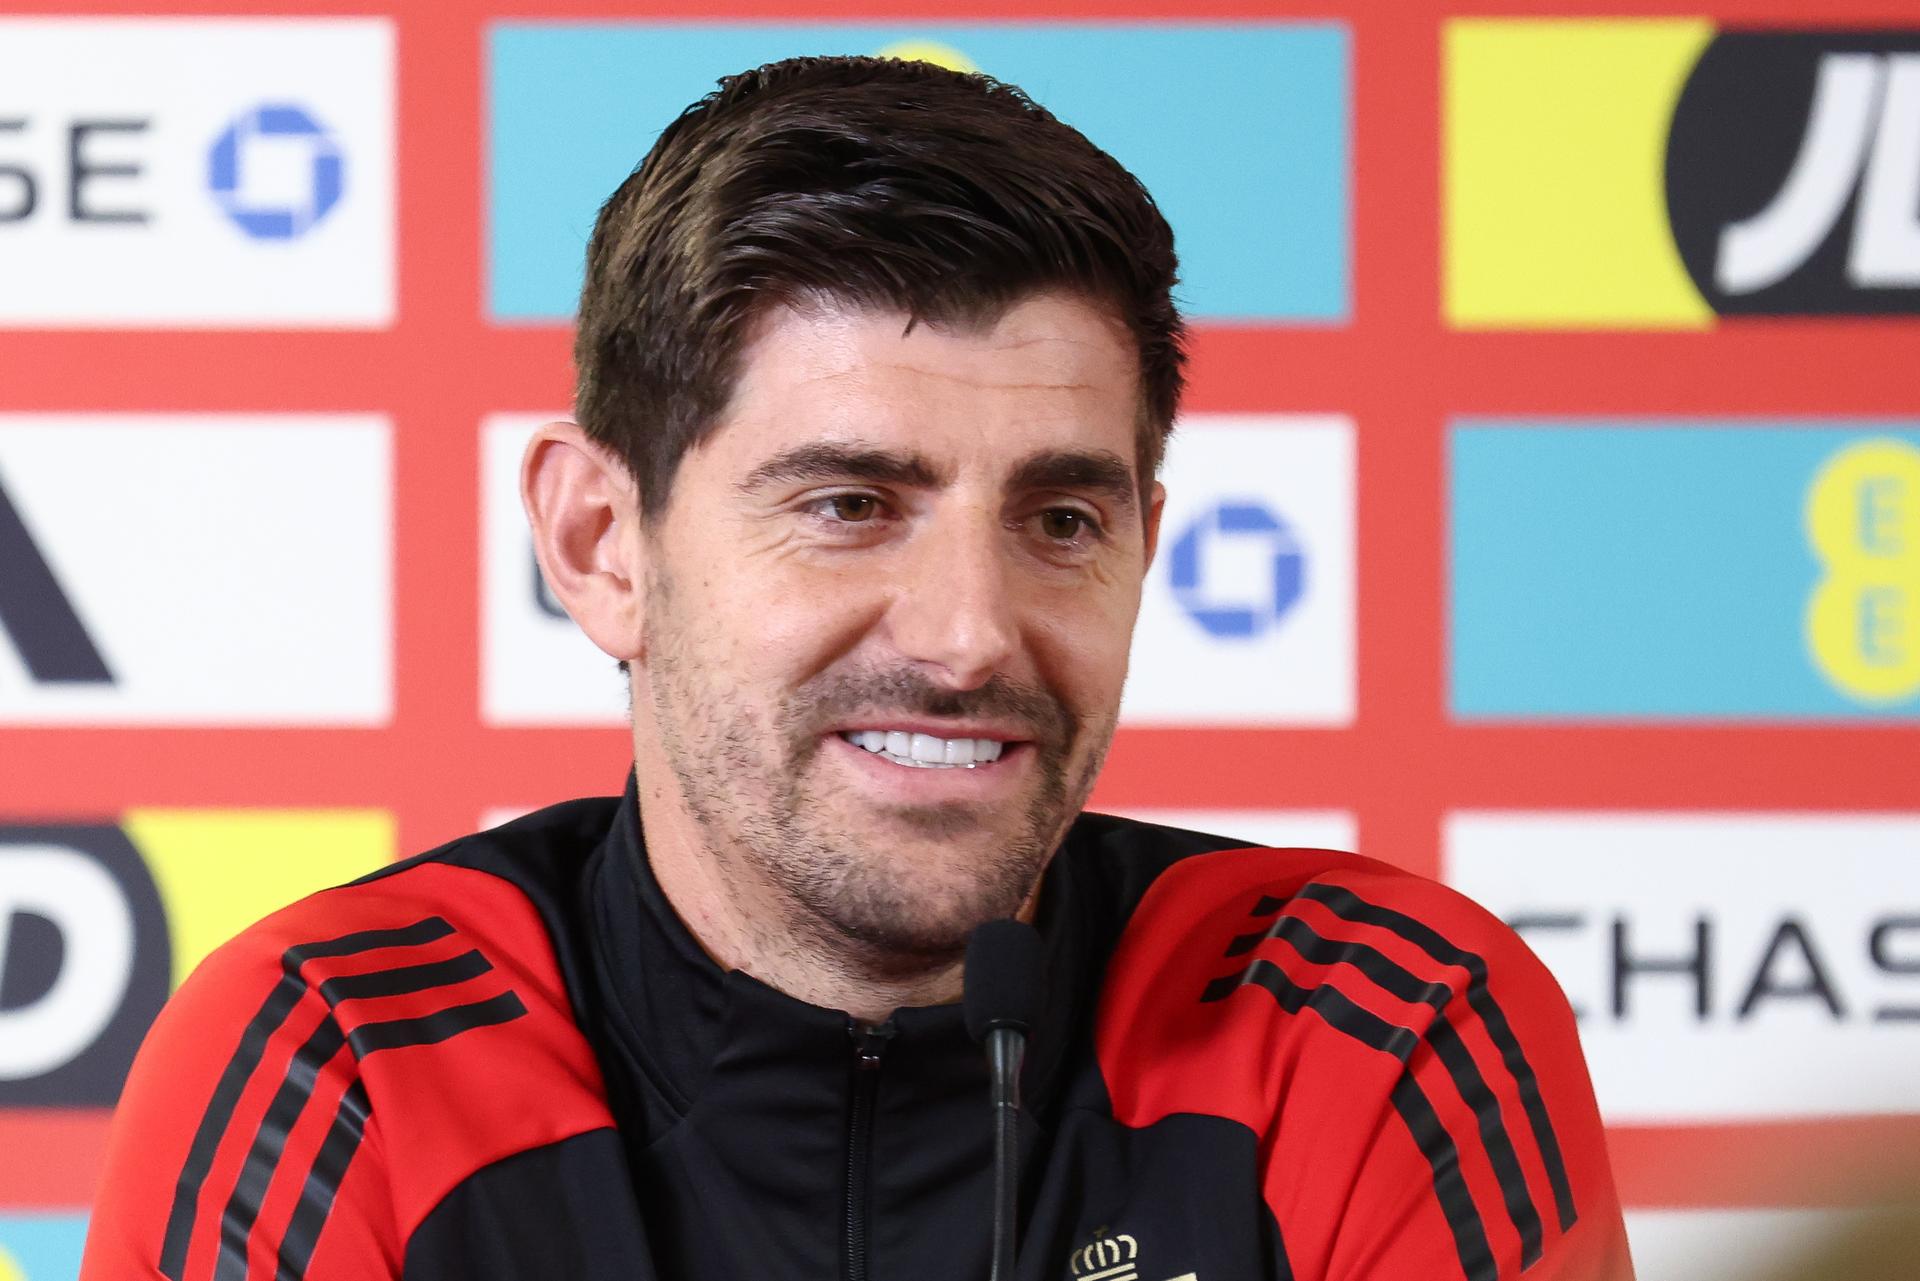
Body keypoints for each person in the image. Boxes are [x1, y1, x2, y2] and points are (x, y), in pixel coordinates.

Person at [82, 56, 1633, 1281]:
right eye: (848, 505)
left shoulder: (1369, 1026)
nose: (968, 633)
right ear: (603, 541)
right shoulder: (336, 1063)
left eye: (1062, 515)